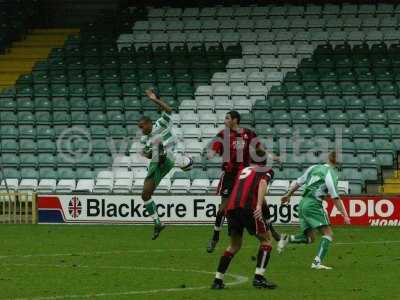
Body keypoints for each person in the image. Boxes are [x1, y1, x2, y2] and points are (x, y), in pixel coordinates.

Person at [206, 110, 279, 253]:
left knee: (262, 202)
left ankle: (272, 229)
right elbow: (213, 150)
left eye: (227, 118)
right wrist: (211, 153)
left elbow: (260, 148)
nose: (225, 120)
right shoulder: (222, 135)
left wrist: (271, 156)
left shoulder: (249, 133)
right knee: (223, 208)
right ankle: (215, 236)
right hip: (229, 176)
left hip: (244, 176)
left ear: (235, 120)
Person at [277, 151, 351, 270]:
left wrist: (288, 194)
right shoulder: (331, 174)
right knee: (328, 234)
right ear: (338, 161)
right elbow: (335, 197)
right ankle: (316, 263)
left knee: (310, 238)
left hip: (302, 203)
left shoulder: (314, 167)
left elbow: (298, 182)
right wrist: (345, 215)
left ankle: (287, 239)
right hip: (313, 204)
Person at [138, 89, 193, 240]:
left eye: (142, 126)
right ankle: (157, 223)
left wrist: (154, 99)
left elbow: (168, 110)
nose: (140, 129)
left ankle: (184, 161)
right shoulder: (144, 139)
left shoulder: (160, 123)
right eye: (139, 127)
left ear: (149, 123)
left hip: (168, 156)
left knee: (160, 149)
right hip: (158, 162)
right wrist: (147, 154)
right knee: (145, 194)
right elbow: (146, 153)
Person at [211, 164, 277, 289]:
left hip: (231, 207)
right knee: (267, 240)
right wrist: (258, 205)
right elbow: (263, 183)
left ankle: (217, 280)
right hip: (247, 207)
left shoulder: (243, 170)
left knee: (234, 245)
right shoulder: (266, 170)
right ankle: (259, 278)